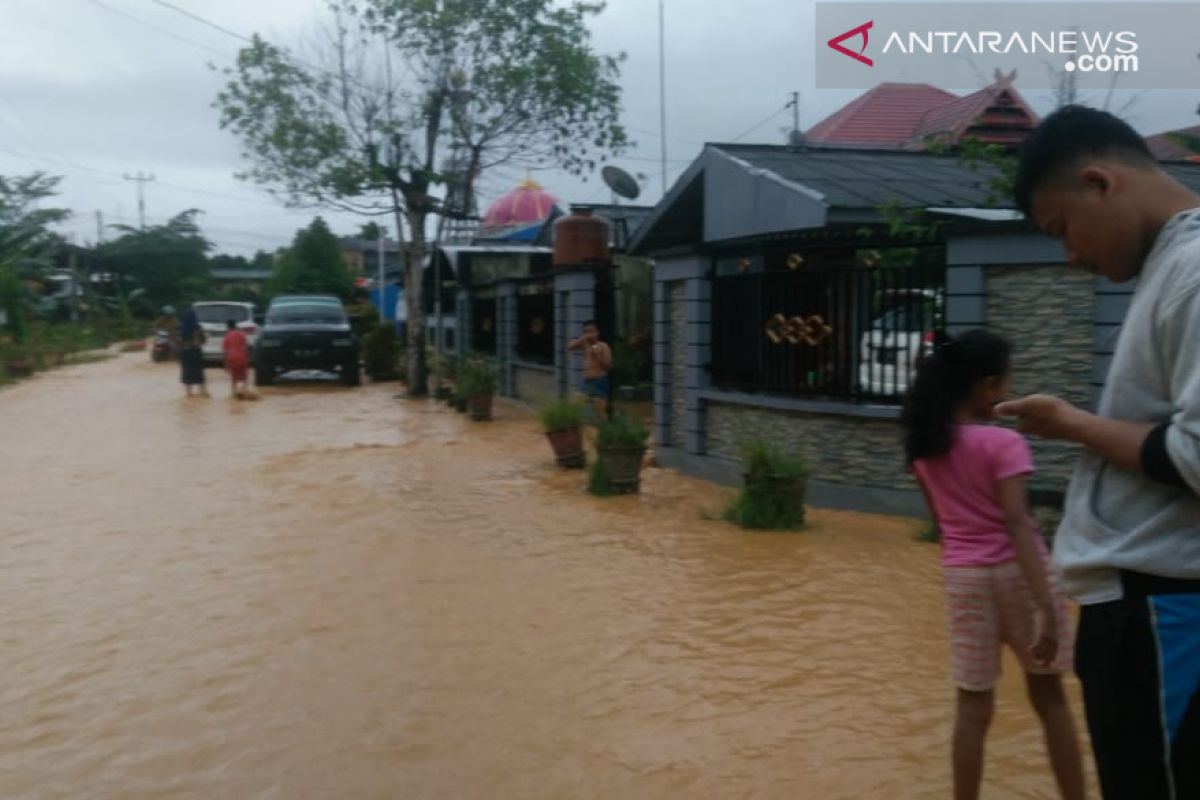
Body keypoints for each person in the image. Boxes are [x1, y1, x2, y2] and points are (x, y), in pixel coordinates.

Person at [996, 105, 1200, 799]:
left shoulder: (1195, 271)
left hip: (1166, 612)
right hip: (1144, 613)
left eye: (1062, 230)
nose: (1071, 256)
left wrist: (1073, 424)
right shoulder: (1172, 268)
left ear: (1099, 182)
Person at [902, 329, 1085, 800]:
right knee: (1050, 699)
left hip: (963, 577)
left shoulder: (925, 450)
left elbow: (942, 522)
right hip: (1020, 575)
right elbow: (1018, 524)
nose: (1006, 393)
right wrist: (1047, 606)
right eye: (1004, 383)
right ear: (987, 388)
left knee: (972, 706)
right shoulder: (1004, 445)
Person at [567, 320, 612, 421]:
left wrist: (597, 355)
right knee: (575, 403)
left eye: (591, 331)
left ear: (597, 332)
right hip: (587, 381)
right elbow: (570, 347)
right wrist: (583, 338)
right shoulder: (584, 344)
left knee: (600, 412)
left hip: (600, 381)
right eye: (586, 331)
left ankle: (606, 432)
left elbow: (608, 366)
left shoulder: (603, 346)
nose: (589, 334)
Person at [177, 306, 208, 397]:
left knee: (187, 372)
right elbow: (204, 340)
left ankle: (189, 393)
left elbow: (177, 341)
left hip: (185, 353)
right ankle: (203, 391)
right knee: (199, 372)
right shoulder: (198, 328)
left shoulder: (180, 328)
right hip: (196, 352)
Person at [222, 319, 250, 398]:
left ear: (228, 327)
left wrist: (225, 364)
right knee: (244, 378)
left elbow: (225, 352)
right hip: (242, 358)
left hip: (232, 359)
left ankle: (234, 394)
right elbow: (246, 348)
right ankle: (244, 392)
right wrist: (248, 359)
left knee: (234, 379)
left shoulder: (227, 336)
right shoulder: (242, 334)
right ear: (236, 326)